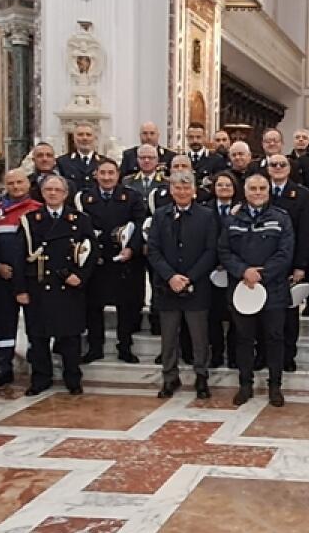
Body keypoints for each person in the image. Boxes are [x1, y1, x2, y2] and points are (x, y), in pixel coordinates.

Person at [14, 175, 96, 395]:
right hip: (39, 286)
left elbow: (91, 251)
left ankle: (73, 378)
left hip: (68, 286)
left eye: (57, 190)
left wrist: (80, 276)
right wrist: (20, 289)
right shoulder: (30, 220)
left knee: (70, 337)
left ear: (65, 193)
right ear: (41, 193)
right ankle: (41, 378)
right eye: (48, 189)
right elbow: (19, 256)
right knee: (39, 337)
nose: (52, 193)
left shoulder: (79, 219)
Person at [219, 173, 295, 407]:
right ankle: (245, 385)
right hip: (242, 289)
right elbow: (223, 251)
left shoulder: (281, 218)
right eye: (253, 188)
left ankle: (275, 387)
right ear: (245, 190)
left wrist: (261, 274)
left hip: (273, 289)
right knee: (243, 339)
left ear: (268, 190)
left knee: (274, 338)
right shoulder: (232, 219)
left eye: (263, 187)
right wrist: (244, 272)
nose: (258, 192)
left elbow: (285, 253)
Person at [147, 170, 219, 399]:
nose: (182, 191)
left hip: (196, 286)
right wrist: (171, 277)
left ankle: (201, 377)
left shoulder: (207, 216)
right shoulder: (160, 215)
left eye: (187, 187)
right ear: (171, 190)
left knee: (199, 337)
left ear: (194, 191)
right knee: (168, 337)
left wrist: (189, 277)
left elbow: (211, 251)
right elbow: (154, 250)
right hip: (167, 287)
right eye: (177, 187)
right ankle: (169, 377)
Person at [80, 157, 147, 363]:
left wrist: (132, 249)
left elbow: (140, 224)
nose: (107, 177)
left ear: (118, 175)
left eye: (111, 173)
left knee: (125, 307)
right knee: (93, 307)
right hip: (96, 261)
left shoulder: (132, 197)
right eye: (103, 173)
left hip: (124, 260)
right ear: (96, 175)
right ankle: (95, 347)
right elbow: (81, 226)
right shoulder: (84, 198)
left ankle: (125, 347)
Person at [0, 169, 42, 387]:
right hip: (0, 277)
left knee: (35, 324)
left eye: (20, 182)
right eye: (11, 183)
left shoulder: (38, 211)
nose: (16, 187)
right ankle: (4, 367)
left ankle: (38, 366)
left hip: (29, 277)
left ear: (28, 184)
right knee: (3, 323)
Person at [266, 153, 309, 372]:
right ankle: (263, 355)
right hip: (264, 263)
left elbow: (306, 234)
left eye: (281, 164)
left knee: (289, 312)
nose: (277, 167)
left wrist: (300, 266)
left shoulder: (302, 194)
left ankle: (288, 355)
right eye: (273, 164)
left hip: (289, 263)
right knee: (263, 311)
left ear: (289, 168)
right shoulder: (260, 191)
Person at [204, 171, 240, 368]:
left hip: (235, 269)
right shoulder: (205, 210)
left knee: (236, 316)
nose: (224, 188)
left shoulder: (242, 209)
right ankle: (216, 354)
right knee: (214, 316)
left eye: (228, 185)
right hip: (211, 270)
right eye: (220, 185)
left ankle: (234, 355)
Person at [56, 122, 102, 189]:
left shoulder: (103, 162)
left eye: (88, 135)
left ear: (95, 138)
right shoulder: (62, 162)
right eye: (80, 135)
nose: (85, 138)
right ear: (74, 138)